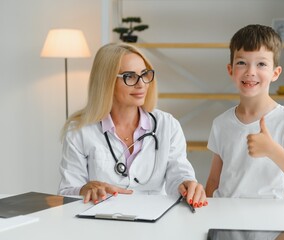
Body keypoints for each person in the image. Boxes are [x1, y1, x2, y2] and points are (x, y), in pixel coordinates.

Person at [58, 42, 207, 208]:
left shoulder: (167, 125)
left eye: (144, 74)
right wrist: (84, 190)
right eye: (129, 76)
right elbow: (67, 192)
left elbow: (178, 174)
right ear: (106, 81)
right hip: (102, 223)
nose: (141, 84)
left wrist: (186, 184)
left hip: (155, 222)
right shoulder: (79, 131)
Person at [205, 24, 284, 199]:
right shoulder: (221, 123)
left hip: (270, 221)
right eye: (242, 63)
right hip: (225, 220)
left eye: (261, 64)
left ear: (275, 73)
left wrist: (272, 150)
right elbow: (213, 181)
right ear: (231, 70)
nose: (250, 72)